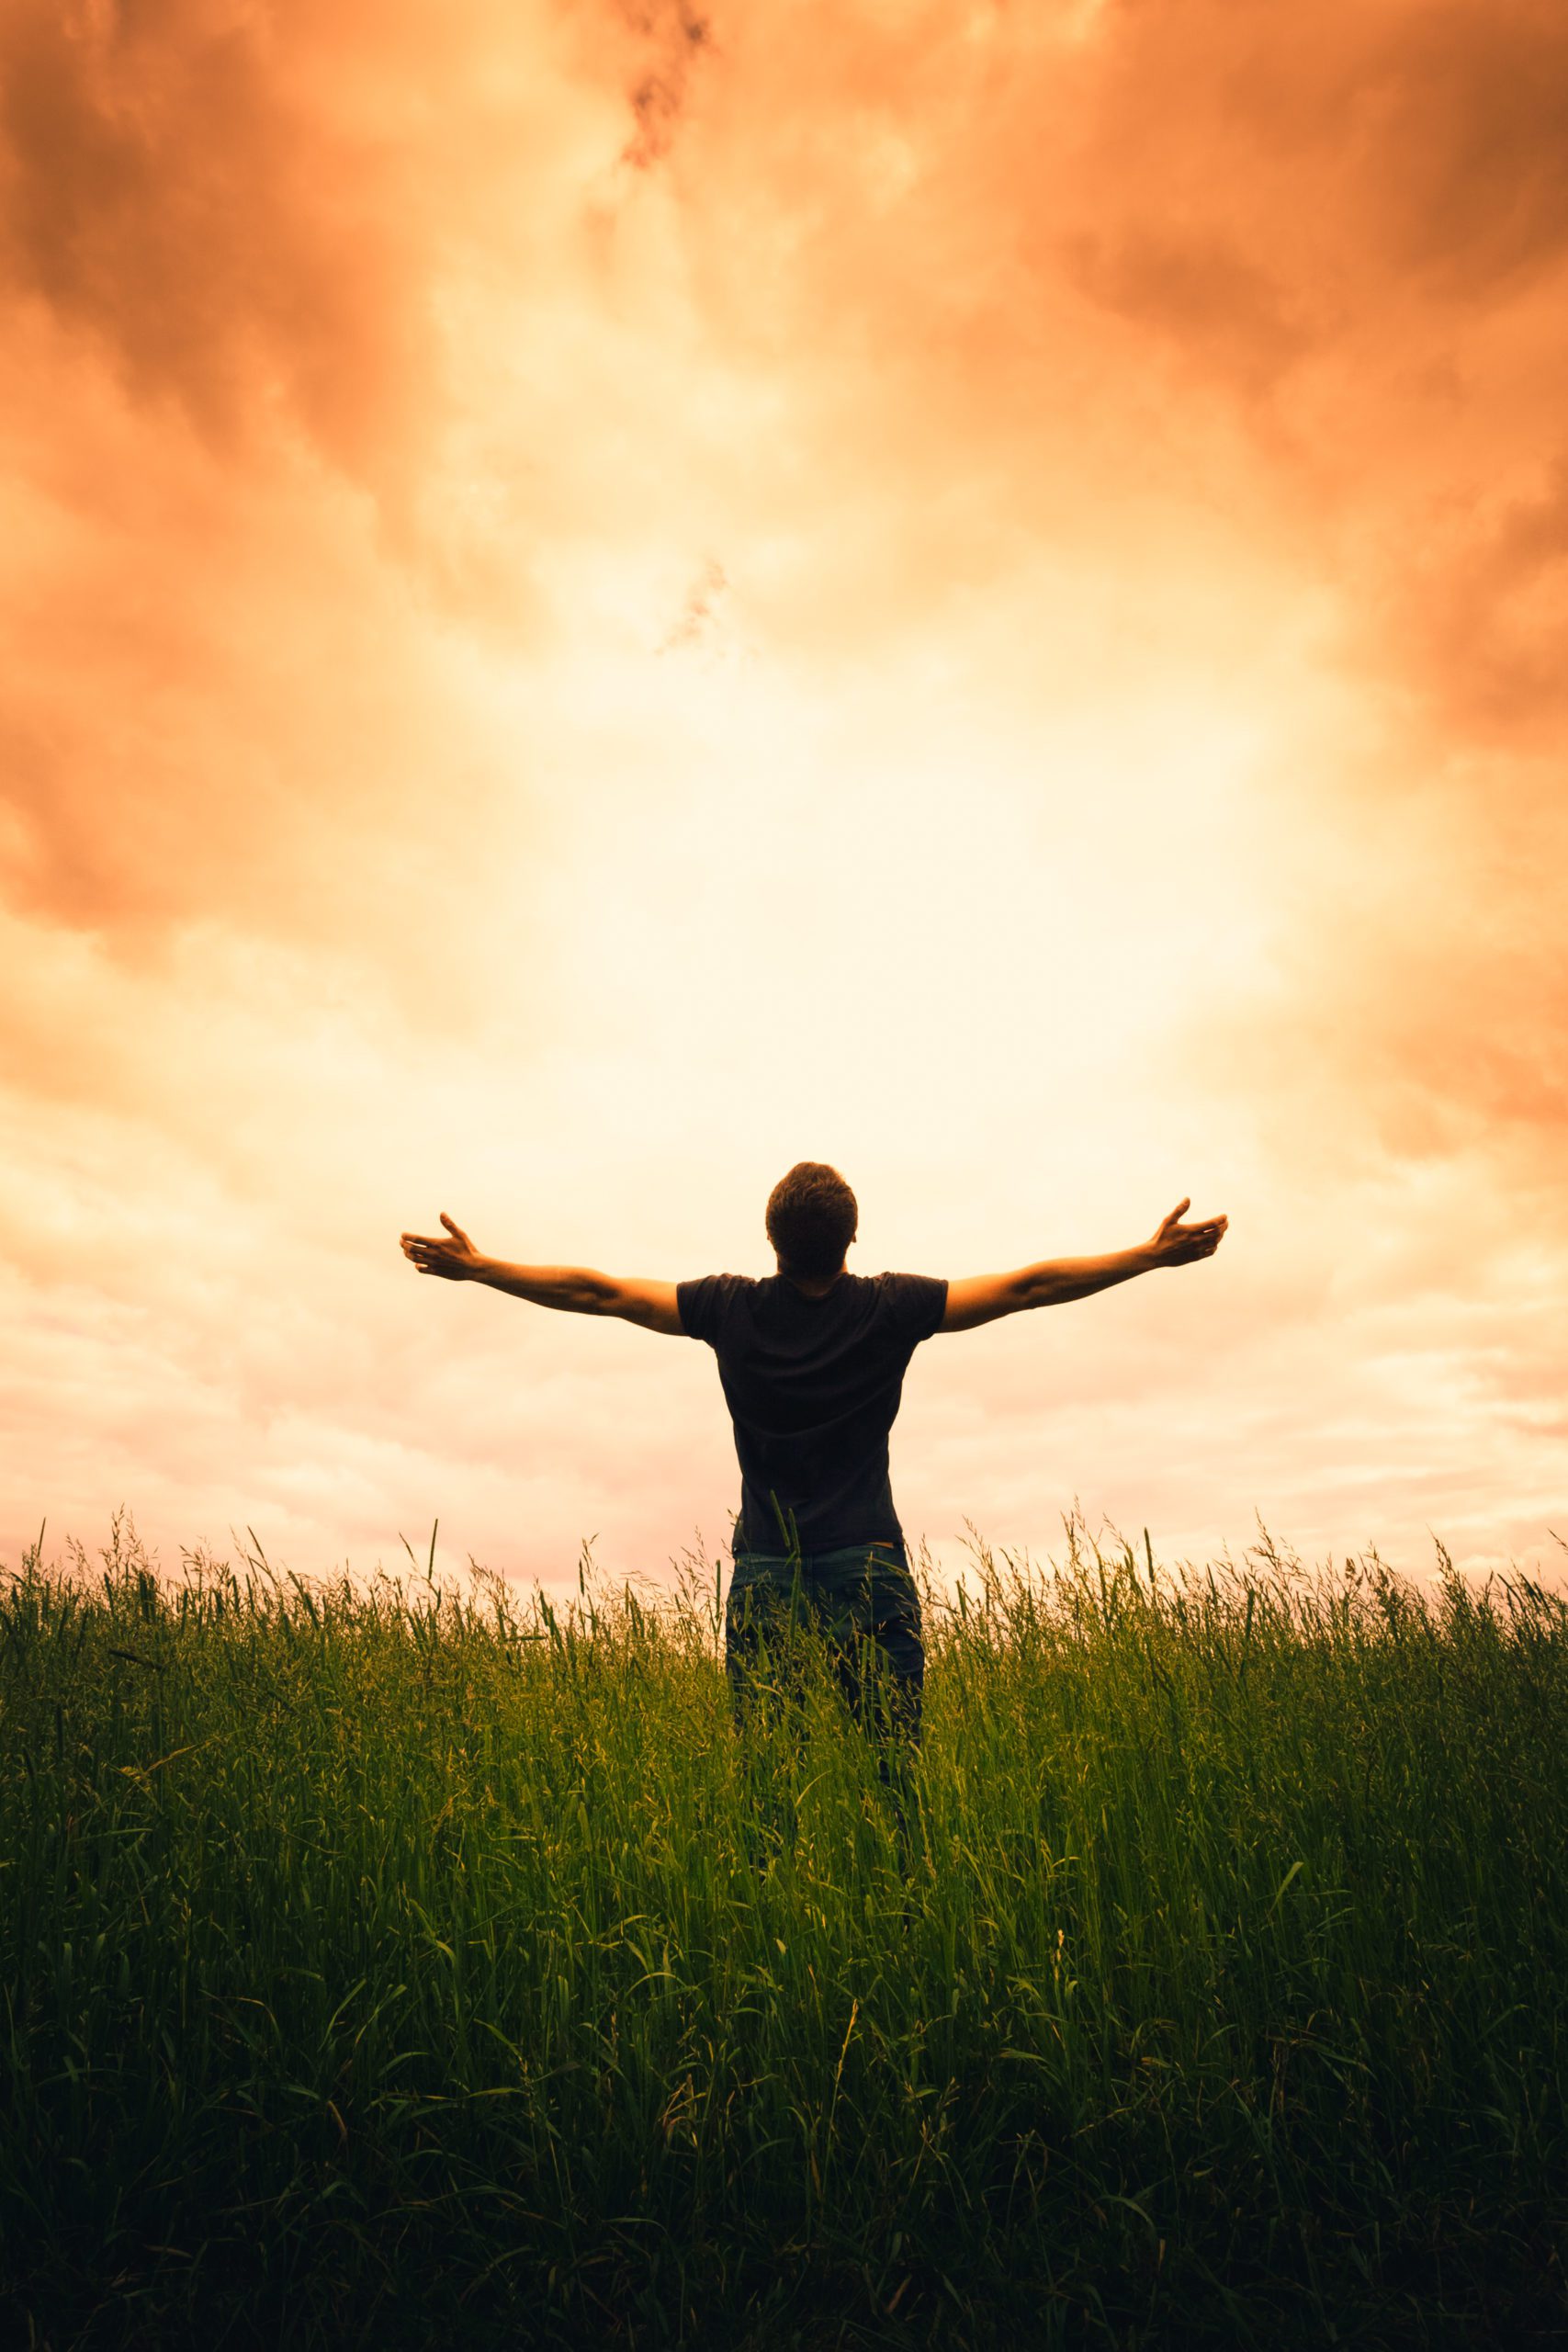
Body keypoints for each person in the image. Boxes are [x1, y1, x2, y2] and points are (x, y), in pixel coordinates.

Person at [399, 1164, 1228, 1758]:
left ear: (771, 1239)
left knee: (768, 1782)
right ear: (851, 1238)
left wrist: (483, 1271)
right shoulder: (890, 1307)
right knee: (893, 1775)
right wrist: (1144, 1256)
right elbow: (1026, 1287)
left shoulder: (727, 1308)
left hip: (767, 1571)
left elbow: (599, 1292)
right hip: (869, 1566)